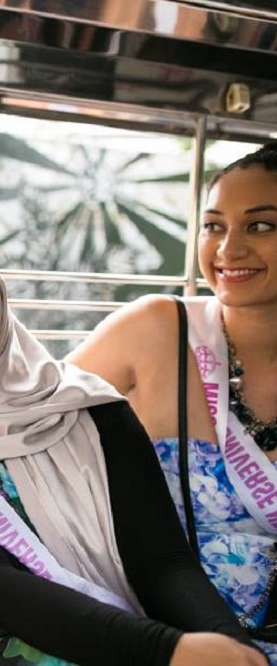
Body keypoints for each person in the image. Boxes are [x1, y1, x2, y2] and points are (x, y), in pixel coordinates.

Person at [0, 231, 264, 665]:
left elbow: (161, 563)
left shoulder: (94, 410)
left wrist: (233, 648)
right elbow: (0, 591)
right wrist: (168, 651)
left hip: (126, 640)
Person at [68, 143, 277, 660]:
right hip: (153, 642)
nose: (228, 249)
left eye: (260, 226)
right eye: (213, 225)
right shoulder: (157, 329)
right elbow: (16, 424)